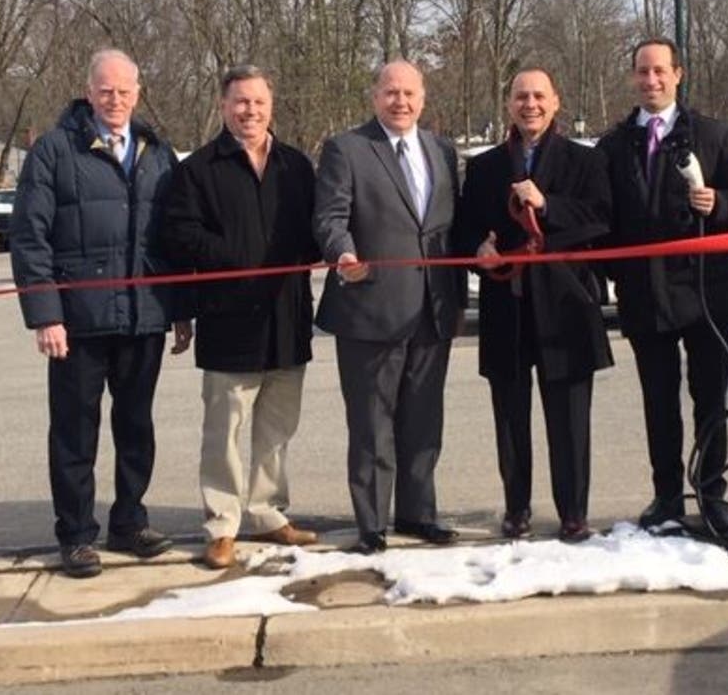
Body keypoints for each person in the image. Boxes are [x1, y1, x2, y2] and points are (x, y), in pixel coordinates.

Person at [10, 48, 192, 579]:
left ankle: (130, 522)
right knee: (75, 432)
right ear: (89, 92)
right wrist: (46, 315)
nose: (115, 100)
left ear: (138, 93)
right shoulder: (54, 150)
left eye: (124, 91)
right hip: (78, 322)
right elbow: (30, 236)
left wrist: (180, 310)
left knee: (136, 427)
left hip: (144, 316)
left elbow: (174, 238)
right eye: (106, 91)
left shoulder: (157, 152)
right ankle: (75, 535)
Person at [596, 38, 728, 533]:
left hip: (706, 293)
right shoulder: (613, 145)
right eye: (642, 71)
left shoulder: (712, 135)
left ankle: (712, 495)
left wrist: (721, 203)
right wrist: (614, 274)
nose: (651, 80)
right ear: (633, 77)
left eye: (659, 70)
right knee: (659, 403)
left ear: (677, 74)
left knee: (709, 400)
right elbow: (602, 216)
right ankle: (667, 497)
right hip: (645, 295)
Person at [162, 65, 320, 570]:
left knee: (277, 429)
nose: (250, 111)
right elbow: (180, 234)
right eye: (240, 102)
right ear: (223, 106)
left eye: (258, 102)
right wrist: (238, 257)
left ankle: (268, 513)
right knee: (224, 433)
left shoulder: (297, 166)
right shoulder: (198, 170)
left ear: (271, 106)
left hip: (288, 316)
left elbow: (316, 230)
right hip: (228, 317)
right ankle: (222, 525)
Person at [313, 60, 464, 555]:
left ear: (423, 97)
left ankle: (419, 514)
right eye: (391, 92)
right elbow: (330, 217)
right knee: (372, 424)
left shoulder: (442, 150)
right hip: (370, 306)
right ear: (375, 96)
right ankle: (372, 523)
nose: (401, 101)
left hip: (433, 307)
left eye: (409, 93)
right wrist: (343, 253)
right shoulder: (347, 148)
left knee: (424, 421)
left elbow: (451, 222)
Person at [457, 69, 613, 542]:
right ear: (509, 104)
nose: (531, 105)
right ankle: (516, 508)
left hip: (565, 305)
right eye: (521, 96)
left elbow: (601, 219)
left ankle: (573, 513)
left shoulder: (584, 161)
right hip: (507, 304)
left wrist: (547, 205)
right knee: (510, 417)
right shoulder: (485, 167)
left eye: (539, 96)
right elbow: (464, 225)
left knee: (569, 419)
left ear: (556, 102)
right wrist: (478, 249)